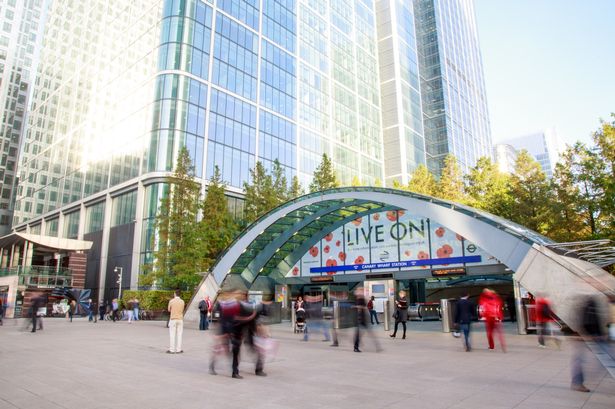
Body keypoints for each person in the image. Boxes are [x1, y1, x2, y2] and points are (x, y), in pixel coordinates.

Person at [571, 296, 605, 392]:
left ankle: (577, 383)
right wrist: (596, 334)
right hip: (585, 335)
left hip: (583, 334)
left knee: (579, 359)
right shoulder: (591, 300)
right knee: (580, 359)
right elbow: (589, 319)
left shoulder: (588, 300)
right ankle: (577, 383)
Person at [167, 289, 185, 354]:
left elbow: (169, 310)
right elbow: (182, 310)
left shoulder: (171, 301)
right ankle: (178, 349)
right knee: (179, 335)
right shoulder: (182, 301)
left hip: (173, 319)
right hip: (180, 319)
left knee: (172, 334)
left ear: (175, 294)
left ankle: (171, 350)